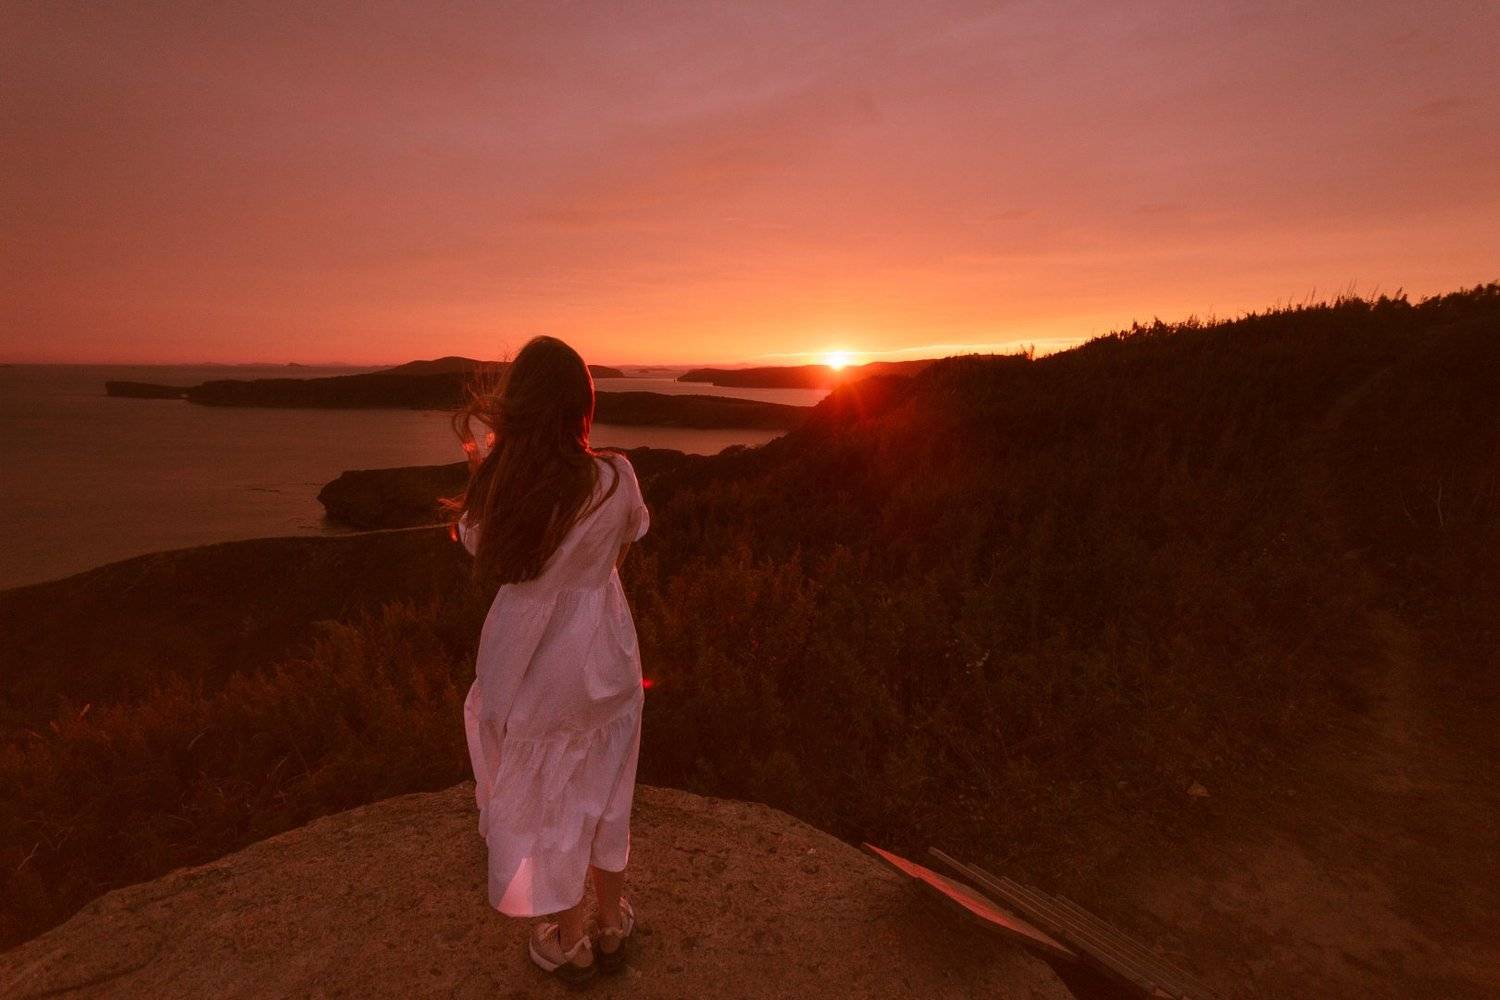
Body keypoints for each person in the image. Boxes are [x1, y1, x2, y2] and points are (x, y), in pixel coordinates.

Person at [447, 336, 649, 987]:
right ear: (580, 407)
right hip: (609, 658)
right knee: (609, 793)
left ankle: (570, 940)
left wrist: (490, 469)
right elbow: (626, 540)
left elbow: (476, 545)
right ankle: (611, 921)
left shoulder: (508, 492)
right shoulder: (616, 477)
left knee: (554, 804)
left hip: (535, 669)